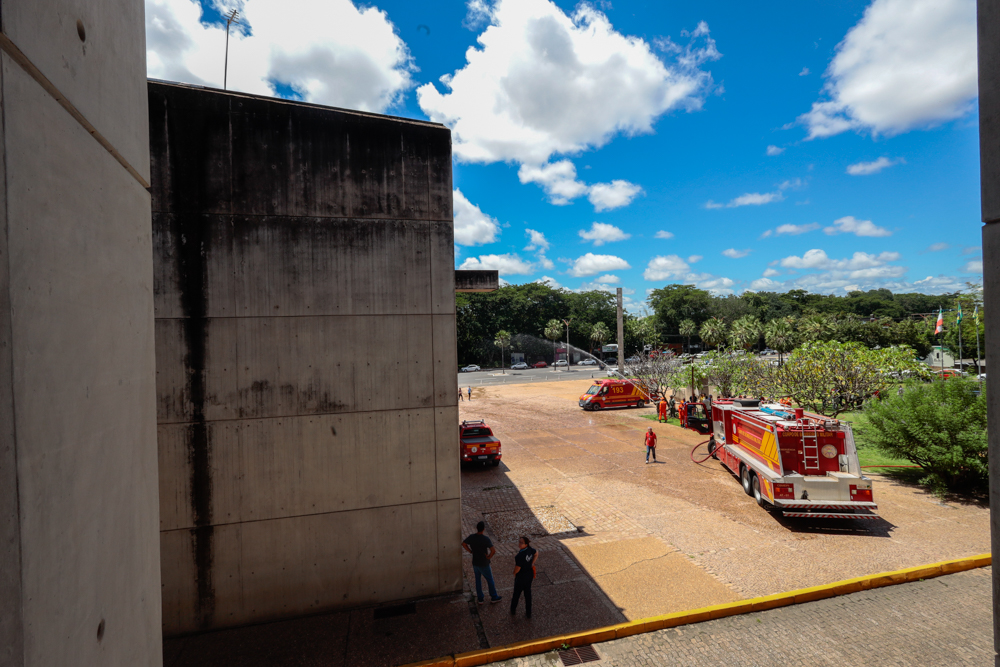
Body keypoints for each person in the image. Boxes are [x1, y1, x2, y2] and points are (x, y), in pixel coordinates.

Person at [462, 521, 501, 604]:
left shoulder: (472, 537)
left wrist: (470, 551)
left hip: (475, 562)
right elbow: (493, 550)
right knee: (490, 580)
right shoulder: (486, 539)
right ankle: (494, 597)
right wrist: (489, 557)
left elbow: (464, 544)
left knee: (478, 580)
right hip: (484, 563)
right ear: (483, 529)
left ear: (477, 528)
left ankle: (480, 599)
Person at [509, 536, 538, 618]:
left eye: (521, 543)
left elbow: (517, 568)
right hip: (529, 575)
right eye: (519, 542)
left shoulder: (520, 556)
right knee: (528, 594)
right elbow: (536, 553)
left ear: (526, 544)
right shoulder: (530, 550)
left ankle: (513, 609)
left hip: (521, 577)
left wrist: (514, 573)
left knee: (516, 594)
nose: (519, 544)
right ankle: (528, 612)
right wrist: (532, 563)